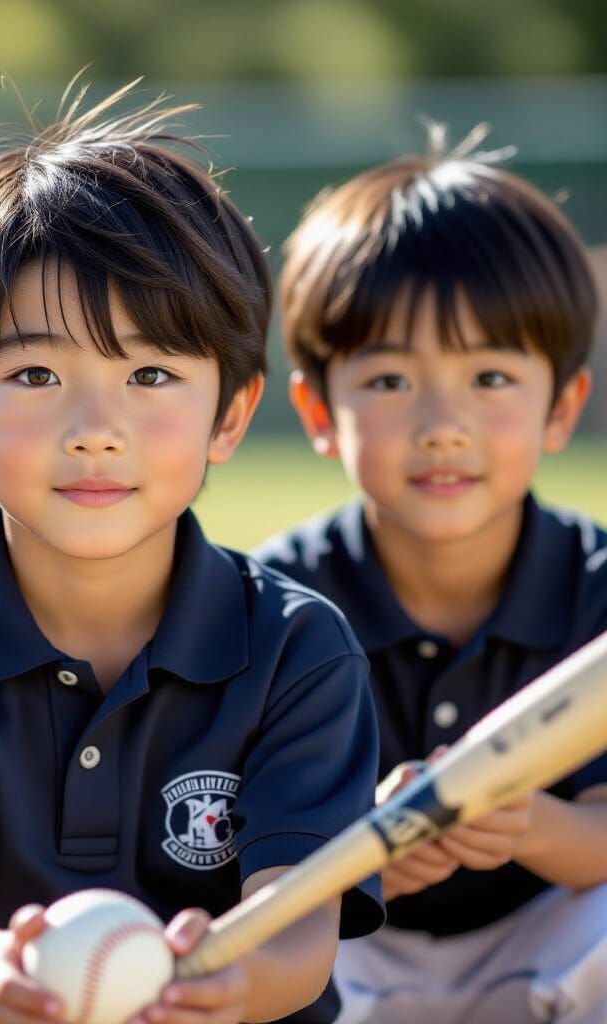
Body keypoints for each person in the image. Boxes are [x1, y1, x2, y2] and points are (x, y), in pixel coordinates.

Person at [0, 83, 385, 1024]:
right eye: (36, 374)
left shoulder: (298, 648)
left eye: (150, 374)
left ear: (229, 415)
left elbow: (296, 935)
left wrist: (230, 984)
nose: (95, 429)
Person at [254, 126, 607, 1024]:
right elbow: (226, 846)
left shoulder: (595, 587)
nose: (443, 423)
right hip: (347, 959)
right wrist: (364, 847)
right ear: (318, 409)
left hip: (546, 946)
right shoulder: (268, 604)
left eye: (491, 376)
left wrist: (521, 821)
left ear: (562, 405)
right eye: (390, 381)